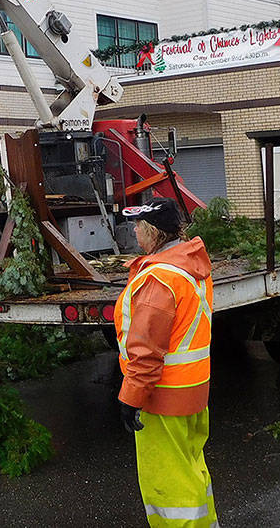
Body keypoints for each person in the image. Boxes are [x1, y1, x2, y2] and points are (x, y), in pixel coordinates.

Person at [114, 198, 216, 528]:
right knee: (191, 472)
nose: (135, 230)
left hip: (162, 399)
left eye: (139, 225)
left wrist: (130, 399)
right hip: (192, 393)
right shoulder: (190, 266)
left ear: (154, 232)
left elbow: (146, 353)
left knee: (170, 490)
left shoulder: (159, 279)